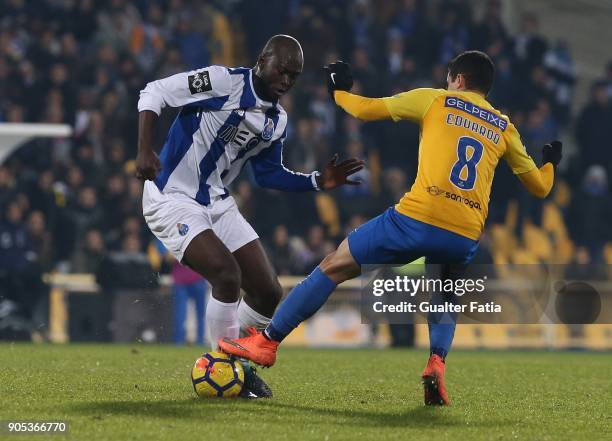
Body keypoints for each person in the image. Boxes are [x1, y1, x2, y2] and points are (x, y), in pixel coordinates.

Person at [219, 51, 563, 405]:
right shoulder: (503, 126)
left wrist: (339, 91)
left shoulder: (435, 100)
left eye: (449, 78)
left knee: (334, 265)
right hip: (465, 232)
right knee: (444, 293)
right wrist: (550, 162)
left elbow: (365, 110)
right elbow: (540, 186)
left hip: (418, 215)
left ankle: (268, 341)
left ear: (458, 79)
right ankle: (436, 363)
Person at [135, 34, 363, 398]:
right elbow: (154, 92)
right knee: (227, 275)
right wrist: (145, 150)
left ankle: (235, 364)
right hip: (171, 197)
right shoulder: (223, 82)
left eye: (294, 76)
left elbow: (268, 174)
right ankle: (225, 369)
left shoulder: (277, 120)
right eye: (282, 70)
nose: (286, 80)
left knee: (268, 291)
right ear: (262, 59)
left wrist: (319, 181)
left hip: (217, 201)